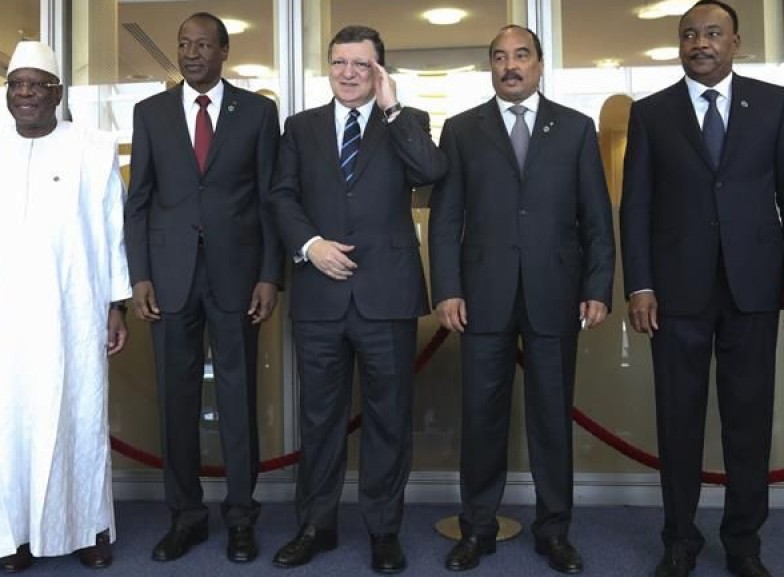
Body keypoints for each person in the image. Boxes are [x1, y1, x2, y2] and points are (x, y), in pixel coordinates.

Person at [429, 24, 615, 574]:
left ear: (539, 64)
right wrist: (447, 287)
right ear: (491, 66)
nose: (510, 65)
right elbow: (446, 220)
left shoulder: (577, 129)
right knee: (481, 419)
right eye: (500, 57)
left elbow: (597, 220)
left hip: (555, 294)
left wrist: (597, 287)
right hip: (481, 296)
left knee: (551, 420)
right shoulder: (462, 130)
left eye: (521, 56)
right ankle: (477, 529)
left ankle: (553, 531)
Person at [268, 25, 446, 575]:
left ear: (380, 72)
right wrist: (310, 244)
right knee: (319, 420)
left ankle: (383, 530)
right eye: (340, 62)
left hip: (386, 297)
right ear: (329, 66)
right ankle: (315, 526)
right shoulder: (300, 128)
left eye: (361, 65)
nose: (348, 72)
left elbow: (433, 173)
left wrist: (393, 111)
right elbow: (281, 195)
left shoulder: (407, 123)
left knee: (388, 420)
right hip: (320, 295)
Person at [0, 41, 131, 572]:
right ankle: (15, 534)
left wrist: (115, 304)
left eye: (36, 85)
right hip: (2, 315)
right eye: (16, 85)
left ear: (58, 92)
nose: (25, 93)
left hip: (74, 311)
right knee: (7, 423)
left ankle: (88, 528)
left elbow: (112, 232)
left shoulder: (94, 148)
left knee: (80, 417)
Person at [620, 2, 784, 576]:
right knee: (679, 420)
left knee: (749, 421)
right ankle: (679, 541)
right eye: (689, 35)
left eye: (712, 33)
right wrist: (639, 285)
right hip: (675, 293)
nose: (700, 43)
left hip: (754, 289)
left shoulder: (773, 104)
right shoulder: (651, 113)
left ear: (735, 42)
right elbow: (634, 207)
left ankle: (743, 541)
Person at [125, 12, 282, 564]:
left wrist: (269, 274)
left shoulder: (259, 113)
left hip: (238, 279)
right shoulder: (149, 113)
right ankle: (185, 516)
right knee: (177, 401)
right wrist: (138, 275)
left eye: (202, 45)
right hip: (168, 281)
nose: (192, 54)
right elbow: (138, 201)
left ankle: (241, 518)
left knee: (238, 401)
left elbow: (270, 200)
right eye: (184, 45)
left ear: (223, 51)